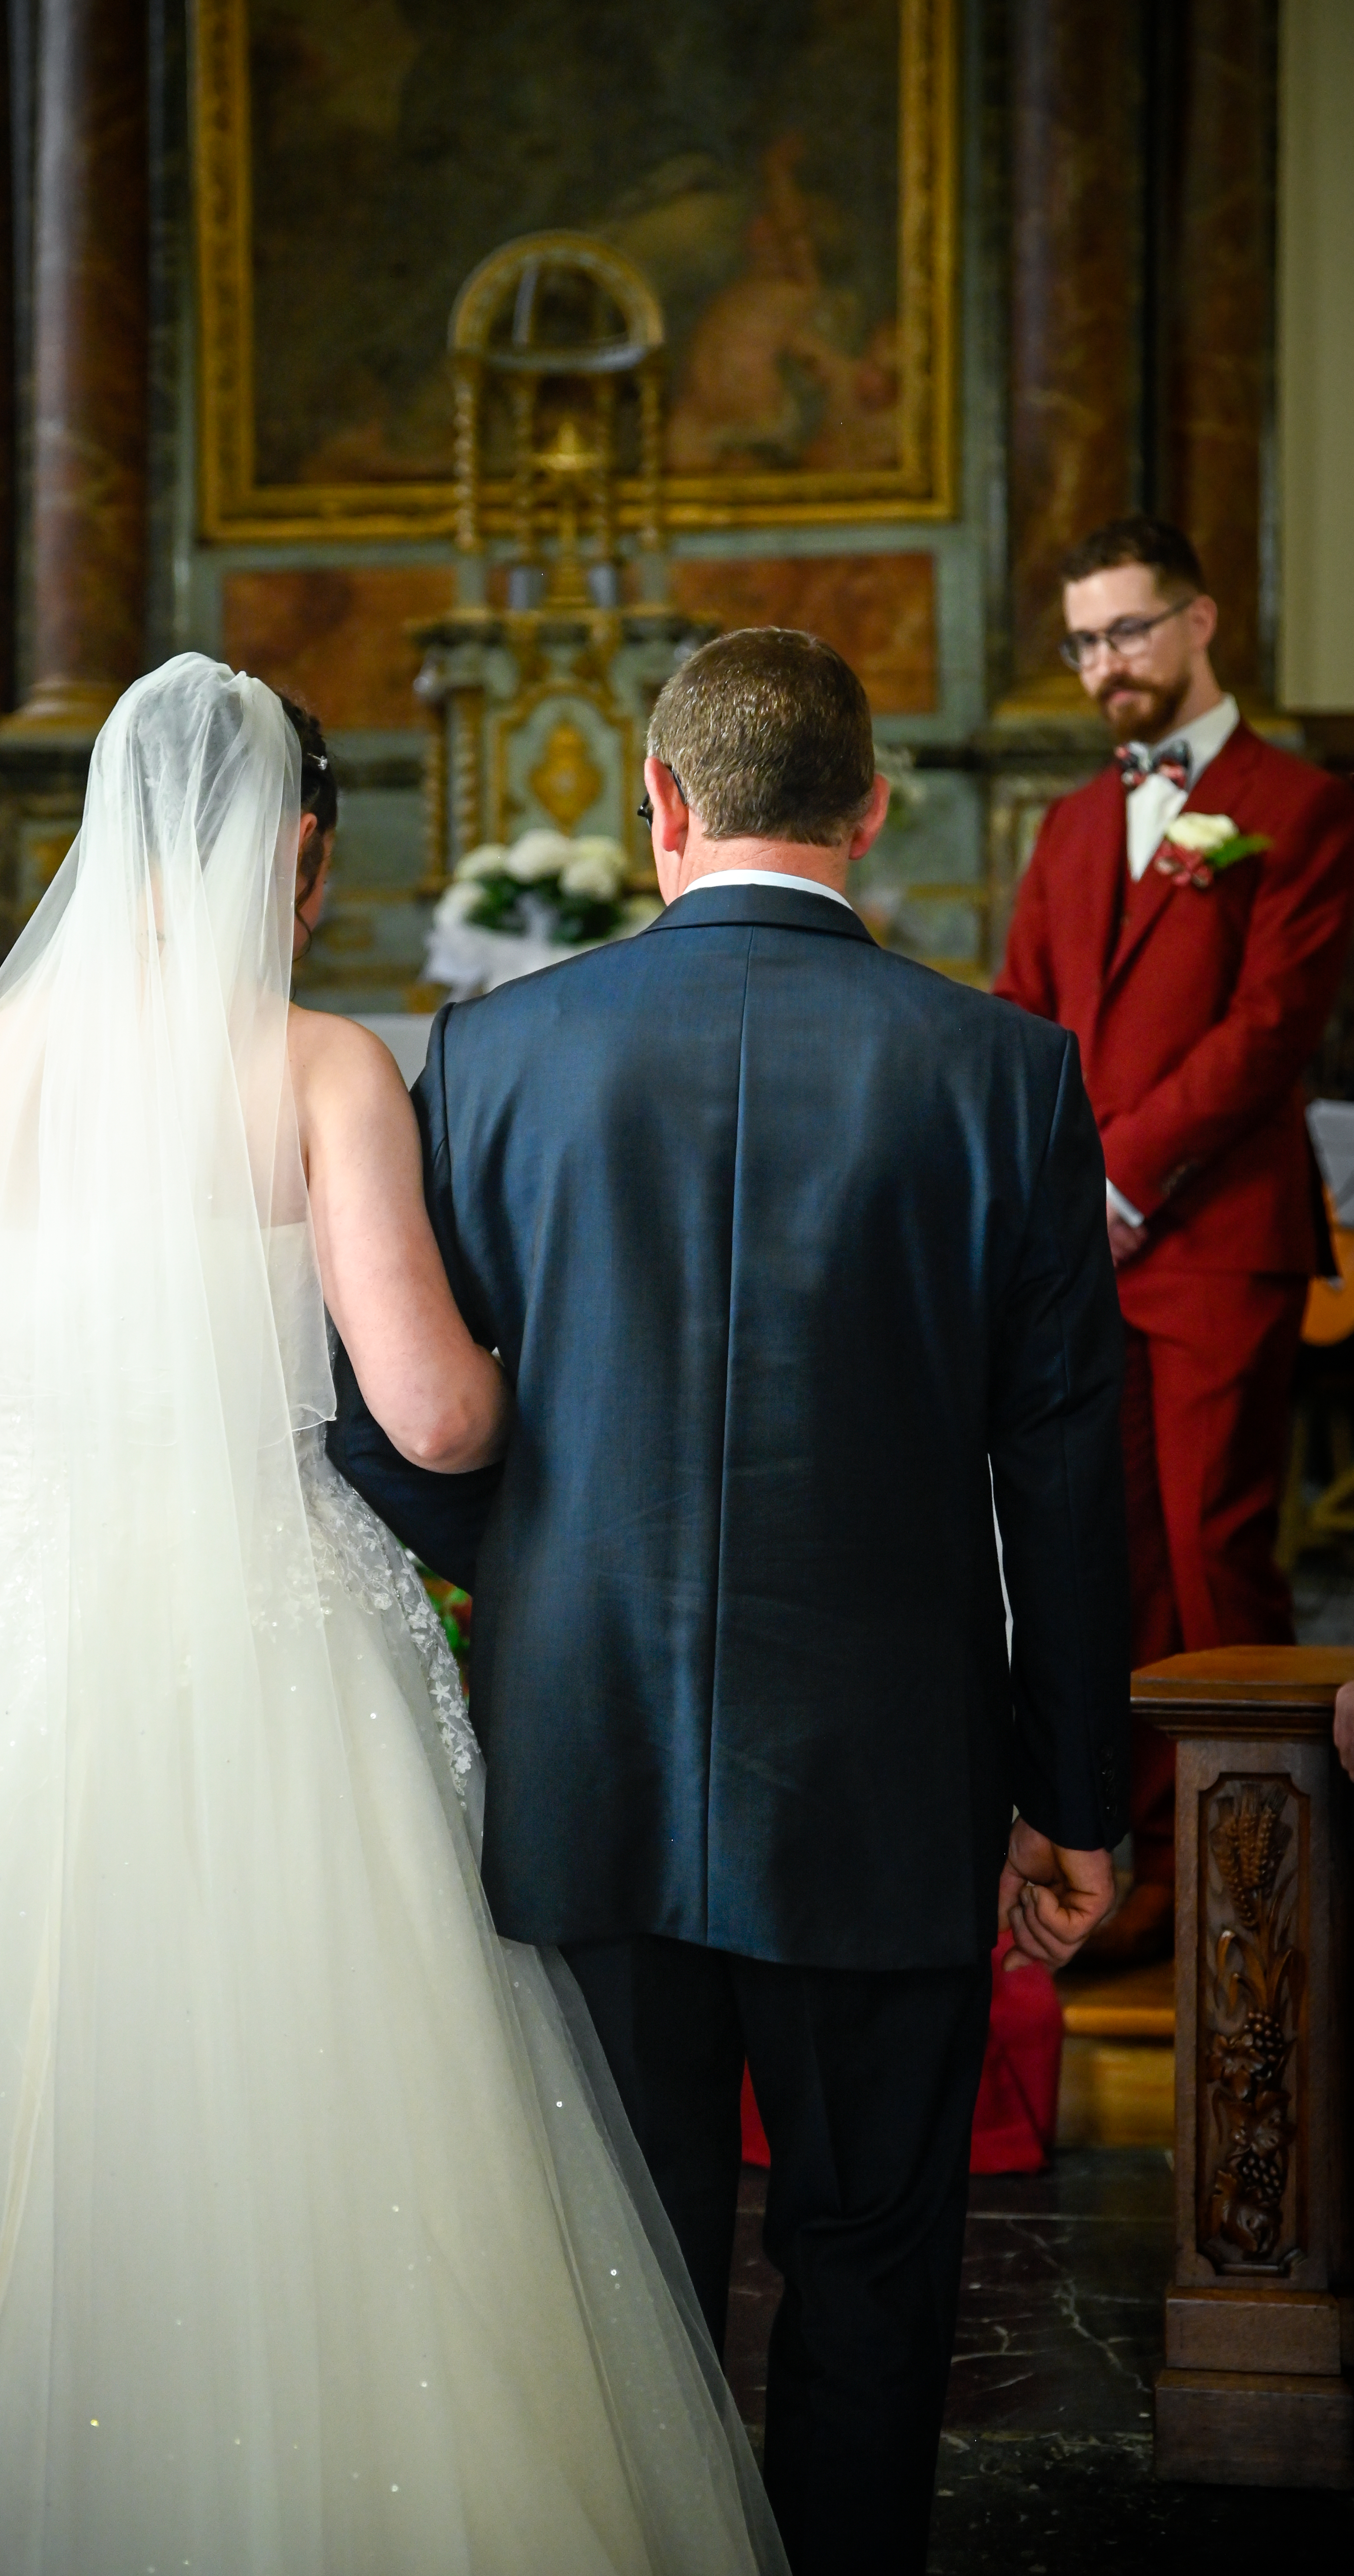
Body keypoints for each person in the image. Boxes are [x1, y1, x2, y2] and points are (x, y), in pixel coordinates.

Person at [0, 658, 781, 2576]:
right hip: (266, 1628)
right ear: (295, 852)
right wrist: (549, 1366)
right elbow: (432, 1413)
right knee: (304, 2089)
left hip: (5, 1627)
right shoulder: (319, 1066)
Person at [329, 625, 1132, 2576]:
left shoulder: (494, 1053)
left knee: (617, 2269)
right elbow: (1064, 1477)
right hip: (888, 1773)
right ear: (871, 806)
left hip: (581, 1756)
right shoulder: (1007, 1072)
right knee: (873, 2255)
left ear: (658, 804)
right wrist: (1074, 1797)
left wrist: (548, 1581)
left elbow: (379, 1432)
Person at [995, 518, 1354, 1964]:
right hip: (1082, 1251)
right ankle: (1152, 1859)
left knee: (1215, 1545)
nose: (1105, 664)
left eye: (1128, 630)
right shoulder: (1073, 823)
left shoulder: (1297, 805)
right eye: (1084, 641)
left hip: (1214, 1237)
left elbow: (1271, 1028)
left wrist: (1123, 1175)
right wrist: (1050, 1187)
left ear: (1199, 622)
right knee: (1113, 1555)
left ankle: (1270, 1871)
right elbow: (1021, 1016)